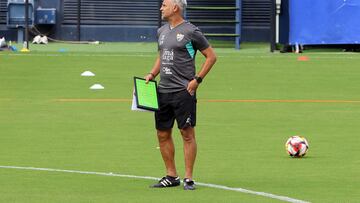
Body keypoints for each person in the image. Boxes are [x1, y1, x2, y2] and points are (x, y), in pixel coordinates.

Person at [145, 0, 217, 190]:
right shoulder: (161, 31)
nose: (161, 8)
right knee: (162, 133)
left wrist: (197, 80)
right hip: (163, 90)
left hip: (183, 91)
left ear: (175, 7)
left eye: (164, 4)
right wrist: (152, 74)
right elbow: (162, 55)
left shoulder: (190, 31)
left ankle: (189, 178)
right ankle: (171, 175)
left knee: (187, 133)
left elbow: (211, 56)